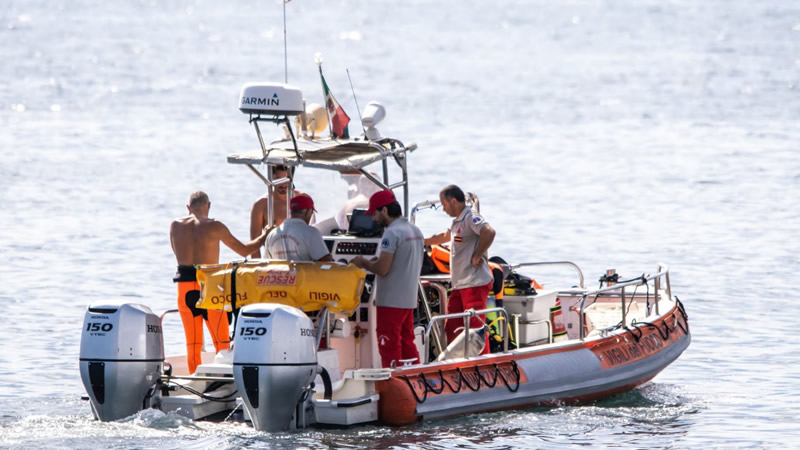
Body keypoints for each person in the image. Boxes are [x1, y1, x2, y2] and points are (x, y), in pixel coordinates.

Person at [170, 191, 269, 374]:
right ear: (209, 206)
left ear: (188, 208)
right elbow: (245, 250)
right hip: (210, 287)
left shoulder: (175, 226)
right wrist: (265, 234)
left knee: (193, 344)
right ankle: (221, 381)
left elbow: (177, 253)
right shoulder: (215, 226)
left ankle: (195, 381)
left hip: (184, 289)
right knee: (221, 343)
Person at [351, 190, 423, 368]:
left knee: (388, 345)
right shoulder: (415, 230)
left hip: (390, 302)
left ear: (384, 210)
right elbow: (401, 261)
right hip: (408, 300)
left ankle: (392, 385)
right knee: (408, 343)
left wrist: (363, 262)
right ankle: (414, 378)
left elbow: (382, 269)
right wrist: (374, 261)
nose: (373, 219)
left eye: (374, 213)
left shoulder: (391, 233)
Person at [424, 185, 496, 355]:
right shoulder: (458, 222)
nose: (443, 209)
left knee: (476, 330)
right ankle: (459, 361)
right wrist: (421, 241)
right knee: (452, 326)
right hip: (459, 285)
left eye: (444, 204)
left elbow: (489, 232)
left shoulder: (470, 217)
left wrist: (478, 255)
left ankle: (484, 365)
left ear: (453, 201)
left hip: (474, 283)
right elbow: (445, 236)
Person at [264, 194, 334, 262]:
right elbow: (325, 261)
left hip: (279, 274)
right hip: (304, 274)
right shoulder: (311, 232)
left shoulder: (271, 235)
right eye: (312, 212)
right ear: (308, 211)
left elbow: (266, 263)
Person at [250, 165, 299, 257]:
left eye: (286, 179)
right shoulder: (261, 205)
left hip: (300, 261)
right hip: (273, 260)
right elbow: (254, 247)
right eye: (278, 179)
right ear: (271, 177)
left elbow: (311, 236)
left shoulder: (302, 201)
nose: (283, 184)